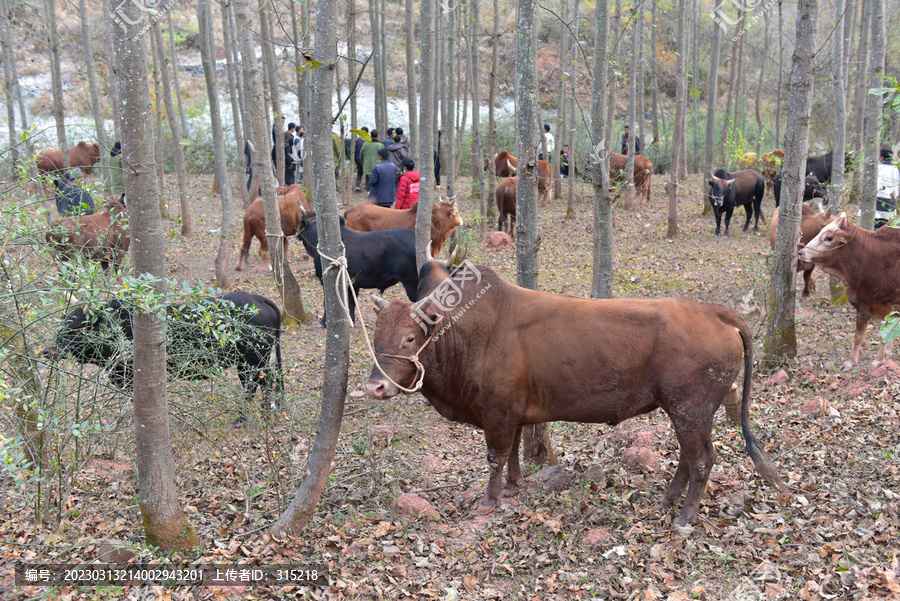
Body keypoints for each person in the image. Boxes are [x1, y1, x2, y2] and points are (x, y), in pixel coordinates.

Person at [876, 148, 899, 229]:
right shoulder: (895, 169)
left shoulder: (878, 168)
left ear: (881, 157)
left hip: (877, 198)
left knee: (876, 222)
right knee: (886, 223)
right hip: (889, 198)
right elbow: (896, 185)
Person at [354, 126, 369, 191]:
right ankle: (367, 187)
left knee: (359, 173)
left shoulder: (357, 140)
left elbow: (355, 150)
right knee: (367, 173)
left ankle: (357, 186)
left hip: (358, 159)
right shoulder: (369, 140)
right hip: (366, 159)